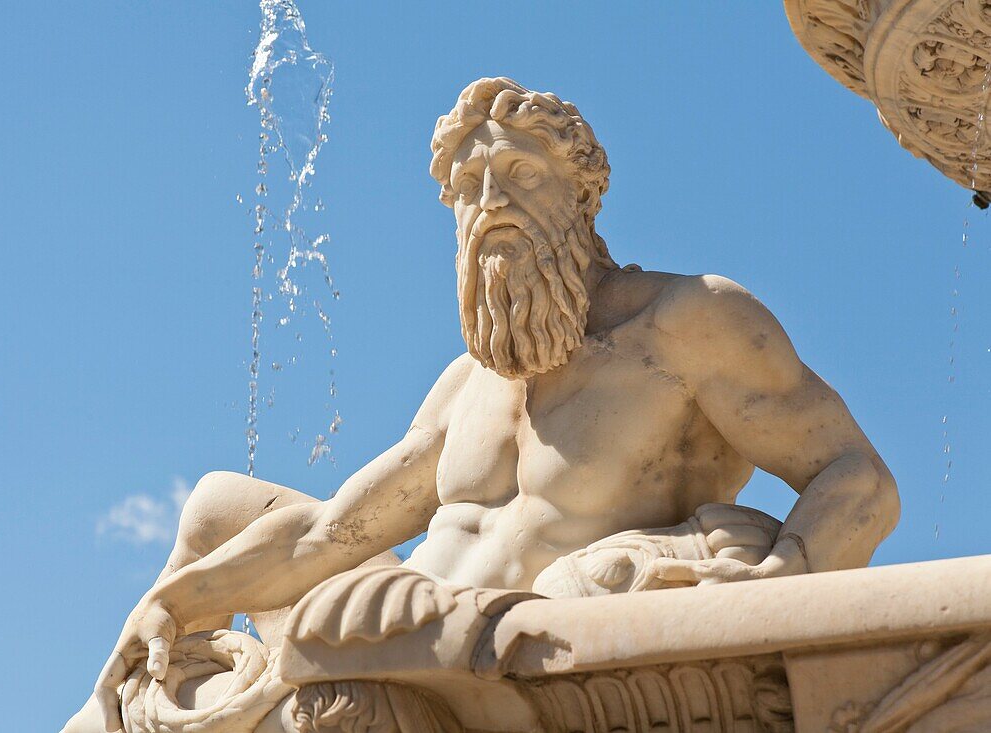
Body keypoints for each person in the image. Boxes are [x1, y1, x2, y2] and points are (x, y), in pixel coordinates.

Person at [65, 77, 899, 732]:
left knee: (344, 649)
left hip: (521, 675)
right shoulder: (469, 381)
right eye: (470, 184)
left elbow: (856, 476)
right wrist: (170, 603)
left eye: (521, 174)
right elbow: (332, 534)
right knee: (217, 504)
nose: (490, 200)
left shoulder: (686, 323)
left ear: (584, 196)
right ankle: (104, 703)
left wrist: (774, 585)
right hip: (400, 632)